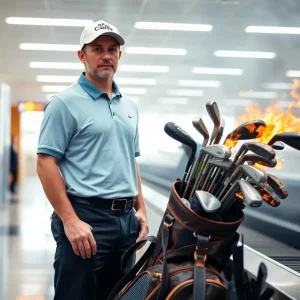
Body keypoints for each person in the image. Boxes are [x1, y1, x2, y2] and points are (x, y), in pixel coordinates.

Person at [36, 20, 149, 300]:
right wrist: (70, 220)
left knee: (120, 295)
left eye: (113, 49)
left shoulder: (129, 106)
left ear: (120, 56)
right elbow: (45, 163)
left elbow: (130, 161)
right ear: (82, 55)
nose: (106, 55)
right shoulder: (64, 104)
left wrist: (142, 209)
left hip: (125, 224)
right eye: (97, 48)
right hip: (87, 219)